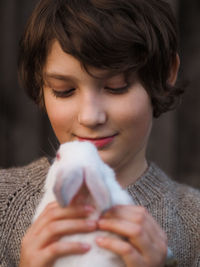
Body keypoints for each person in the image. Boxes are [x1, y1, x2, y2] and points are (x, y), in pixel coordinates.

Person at [0, 0, 199, 266]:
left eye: (116, 87)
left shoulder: (194, 224)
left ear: (166, 73)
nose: (90, 116)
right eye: (64, 90)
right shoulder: (4, 202)